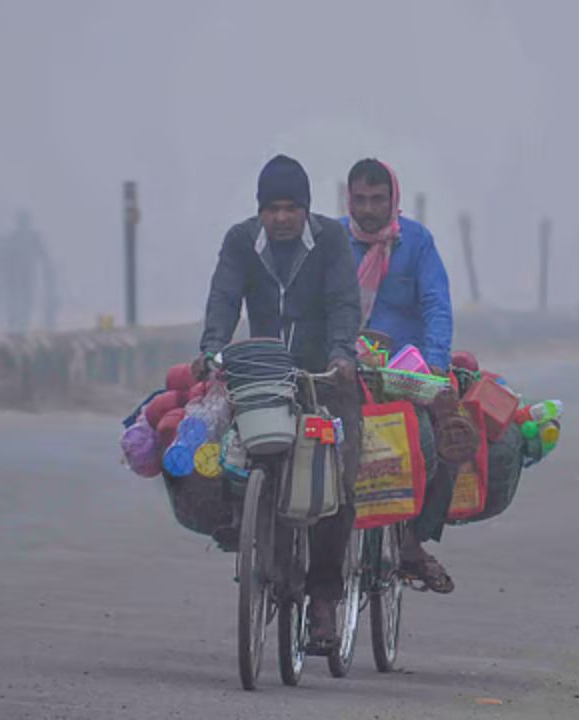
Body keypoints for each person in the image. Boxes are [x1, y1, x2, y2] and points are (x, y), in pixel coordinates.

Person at [198, 154, 362, 649]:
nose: (282, 218)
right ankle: (247, 530)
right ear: (260, 211)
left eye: (292, 208)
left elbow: (344, 303)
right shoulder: (240, 241)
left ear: (307, 209)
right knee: (232, 455)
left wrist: (341, 354)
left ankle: (324, 600)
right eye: (273, 209)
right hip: (263, 376)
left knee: (336, 479)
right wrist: (212, 348)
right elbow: (224, 299)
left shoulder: (331, 241)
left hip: (323, 377)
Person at [342, 158, 457, 593]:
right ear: (348, 200)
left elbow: (436, 305)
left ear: (393, 200)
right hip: (343, 366)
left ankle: (412, 544)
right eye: (360, 199)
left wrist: (436, 366)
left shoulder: (418, 243)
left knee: (436, 442)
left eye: (378, 199)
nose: (368, 209)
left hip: (405, 374)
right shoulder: (332, 240)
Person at [3, 210, 50, 333]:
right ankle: (21, 322)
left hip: (16, 274)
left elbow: (5, 256)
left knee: (17, 298)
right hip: (26, 273)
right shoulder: (33, 236)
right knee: (25, 298)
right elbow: (43, 254)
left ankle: (15, 322)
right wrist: (47, 266)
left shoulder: (13, 236)